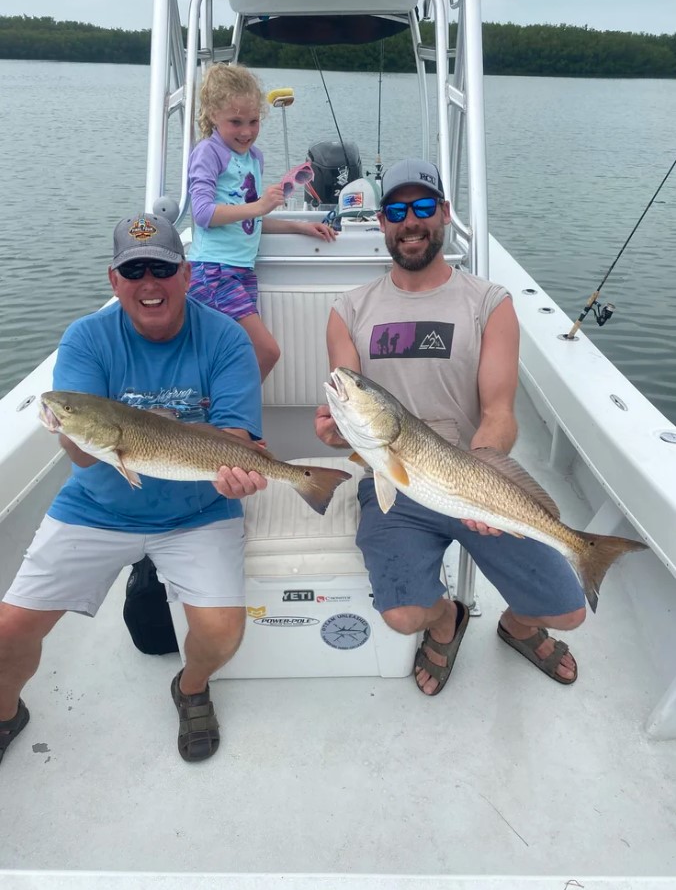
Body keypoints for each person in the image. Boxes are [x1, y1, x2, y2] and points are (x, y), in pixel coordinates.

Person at [0, 213, 269, 766]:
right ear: (113, 280)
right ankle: (6, 713)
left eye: (162, 268)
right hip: (97, 505)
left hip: (198, 510)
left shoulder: (225, 338)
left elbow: (237, 437)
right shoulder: (86, 338)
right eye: (134, 270)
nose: (150, 283)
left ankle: (191, 687)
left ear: (187, 275)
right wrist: (69, 427)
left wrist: (237, 472)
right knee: (8, 630)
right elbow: (80, 448)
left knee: (222, 634)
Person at [314, 158, 587, 696]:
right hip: (391, 484)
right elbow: (346, 402)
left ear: (442, 213)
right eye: (396, 210)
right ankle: (446, 618)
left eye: (422, 207)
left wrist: (483, 479)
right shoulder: (349, 310)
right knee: (402, 616)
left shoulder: (490, 303)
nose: (410, 221)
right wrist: (334, 430)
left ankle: (518, 623)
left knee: (570, 613)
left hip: (472, 474)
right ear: (382, 222)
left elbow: (500, 413)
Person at [187, 63, 336, 381]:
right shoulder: (209, 153)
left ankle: (219, 422)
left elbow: (249, 220)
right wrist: (258, 207)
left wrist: (300, 227)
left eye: (253, 121)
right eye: (235, 122)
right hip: (213, 271)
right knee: (267, 351)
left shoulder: (254, 158)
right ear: (214, 115)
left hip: (241, 271)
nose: (246, 131)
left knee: (230, 356)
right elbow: (202, 214)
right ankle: (227, 419)